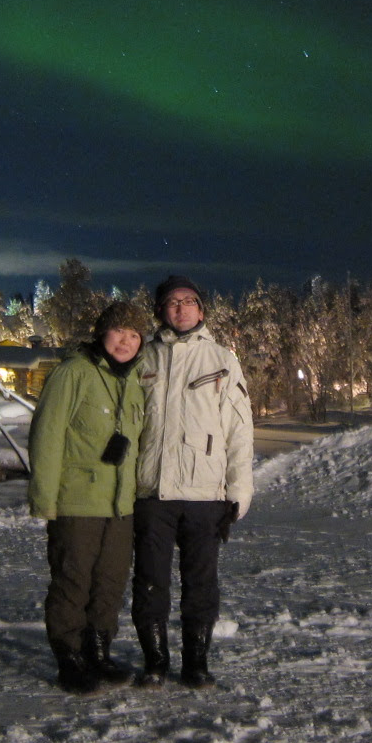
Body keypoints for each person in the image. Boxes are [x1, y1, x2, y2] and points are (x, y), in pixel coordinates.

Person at [131, 275, 254, 688]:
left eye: (189, 301)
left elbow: (239, 430)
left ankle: (196, 663)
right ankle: (155, 662)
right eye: (172, 302)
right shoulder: (144, 359)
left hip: (205, 495)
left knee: (201, 584)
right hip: (152, 492)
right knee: (150, 582)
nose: (181, 309)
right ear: (160, 311)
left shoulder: (222, 358)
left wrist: (238, 491)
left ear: (201, 310)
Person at [27, 299, 149, 694]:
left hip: (119, 506)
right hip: (77, 501)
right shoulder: (72, 373)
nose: (125, 341)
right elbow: (46, 437)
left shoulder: (133, 381)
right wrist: (45, 499)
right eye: (118, 332)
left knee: (110, 583)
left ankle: (99, 652)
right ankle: (70, 659)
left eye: (134, 334)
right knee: (73, 581)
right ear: (101, 334)